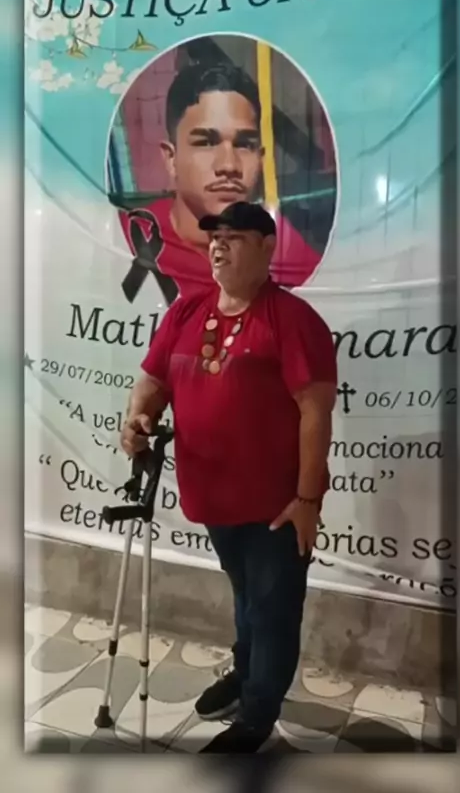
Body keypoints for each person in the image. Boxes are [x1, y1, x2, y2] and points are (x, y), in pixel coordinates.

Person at [120, 200, 337, 754]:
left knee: (273, 610)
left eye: (234, 238)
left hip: (277, 506)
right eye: (215, 237)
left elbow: (315, 413)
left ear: (267, 248)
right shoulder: (187, 311)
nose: (218, 246)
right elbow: (153, 381)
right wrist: (138, 417)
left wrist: (307, 500)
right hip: (214, 497)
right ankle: (245, 674)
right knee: (245, 597)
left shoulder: (293, 320)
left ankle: (256, 718)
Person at [117, 61, 323, 302]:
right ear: (171, 158)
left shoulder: (291, 260)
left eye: (244, 145)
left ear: (261, 159)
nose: (229, 166)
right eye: (206, 143)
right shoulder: (120, 241)